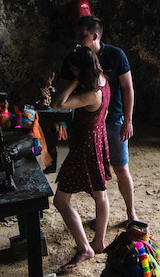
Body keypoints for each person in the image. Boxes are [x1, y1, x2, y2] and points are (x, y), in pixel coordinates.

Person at [56, 14, 138, 227]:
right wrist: (63, 121)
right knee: (97, 176)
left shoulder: (115, 55)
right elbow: (64, 93)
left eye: (82, 35)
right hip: (90, 125)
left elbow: (128, 88)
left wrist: (127, 121)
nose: (77, 39)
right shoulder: (75, 58)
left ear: (94, 36)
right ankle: (103, 218)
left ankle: (131, 214)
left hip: (113, 122)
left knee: (121, 169)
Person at [52, 46, 111, 273]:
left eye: (75, 69)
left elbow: (57, 103)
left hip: (85, 147)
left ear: (81, 70)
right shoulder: (104, 80)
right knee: (100, 193)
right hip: (98, 139)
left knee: (61, 200)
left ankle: (85, 247)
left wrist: (75, 81)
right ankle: (98, 241)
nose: (72, 72)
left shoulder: (90, 93)